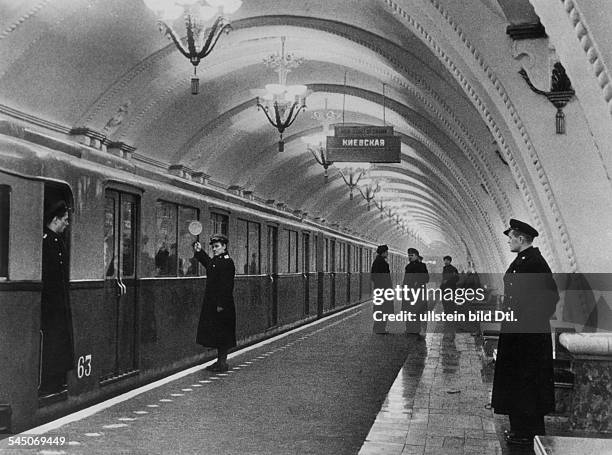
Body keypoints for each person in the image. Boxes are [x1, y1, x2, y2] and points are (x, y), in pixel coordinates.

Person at [491, 219, 559, 446]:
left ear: (521, 238)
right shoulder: (524, 260)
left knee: (527, 382)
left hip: (527, 337)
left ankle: (527, 431)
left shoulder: (535, 262)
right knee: (517, 380)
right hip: (518, 334)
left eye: (511, 237)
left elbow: (550, 297)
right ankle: (520, 428)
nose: (509, 240)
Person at [40, 201, 75, 396]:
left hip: (57, 302)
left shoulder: (56, 241)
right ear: (55, 220)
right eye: (65, 220)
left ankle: (57, 380)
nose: (67, 224)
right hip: (51, 304)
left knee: (59, 342)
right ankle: (50, 382)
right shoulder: (46, 241)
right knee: (53, 343)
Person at [193, 234, 236, 373]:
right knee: (218, 333)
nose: (214, 249)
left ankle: (222, 363)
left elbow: (227, 286)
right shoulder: (218, 261)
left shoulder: (228, 263)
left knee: (222, 334)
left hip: (222, 305)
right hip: (215, 303)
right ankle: (219, 362)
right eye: (213, 247)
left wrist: (221, 304)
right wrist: (199, 252)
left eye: (216, 246)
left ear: (224, 247)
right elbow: (209, 264)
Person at [402, 247, 429, 338]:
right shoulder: (408, 267)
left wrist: (418, 281)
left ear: (416, 256)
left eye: (411, 255)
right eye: (409, 255)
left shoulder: (422, 266)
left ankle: (418, 329)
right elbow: (405, 279)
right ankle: (410, 329)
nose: (410, 257)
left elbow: (426, 278)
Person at [370, 244, 393, 334]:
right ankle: (380, 329)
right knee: (383, 309)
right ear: (383, 252)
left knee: (379, 308)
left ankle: (378, 328)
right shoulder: (382, 263)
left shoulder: (376, 262)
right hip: (384, 290)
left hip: (379, 289)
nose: (387, 253)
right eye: (386, 252)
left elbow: (373, 277)